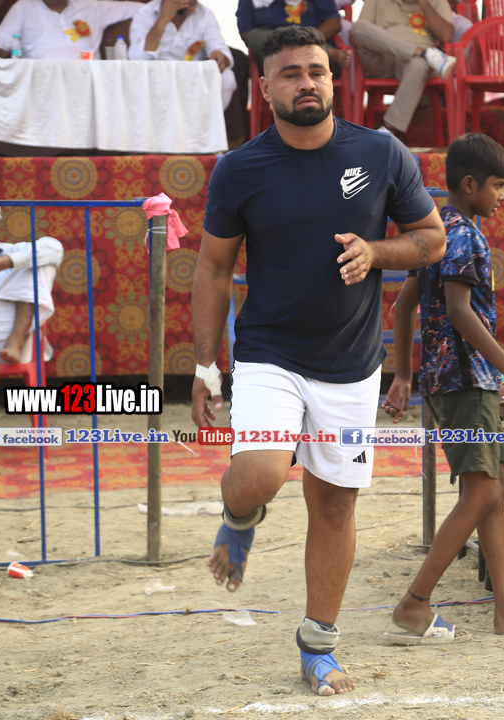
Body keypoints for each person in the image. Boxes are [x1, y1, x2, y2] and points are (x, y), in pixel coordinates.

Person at [191, 26, 446, 696]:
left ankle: (318, 647)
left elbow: (431, 239)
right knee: (258, 477)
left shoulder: (381, 153)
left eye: (317, 71)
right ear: (264, 88)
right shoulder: (240, 168)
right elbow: (212, 269)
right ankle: (239, 516)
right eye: (290, 73)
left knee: (334, 504)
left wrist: (376, 251)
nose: (307, 83)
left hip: (352, 362)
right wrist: (205, 364)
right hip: (269, 352)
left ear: (333, 80)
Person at [381, 133, 504, 643]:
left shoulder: (432, 233)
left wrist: (403, 376)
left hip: (450, 380)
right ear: (470, 184)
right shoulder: (463, 235)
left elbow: (403, 306)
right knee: (484, 489)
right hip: (467, 380)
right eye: (498, 186)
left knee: (490, 489)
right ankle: (415, 602)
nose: (503, 195)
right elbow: (460, 313)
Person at [0, 192, 64, 367]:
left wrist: (5, 262)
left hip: (7, 336)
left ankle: (15, 342)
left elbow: (54, 248)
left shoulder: (16, 252)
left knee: (39, 262)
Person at [349, 0, 457, 139]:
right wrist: (355, 38)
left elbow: (446, 36)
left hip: (413, 65)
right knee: (359, 27)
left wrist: (424, 3)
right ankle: (424, 53)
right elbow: (358, 33)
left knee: (420, 64)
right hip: (382, 59)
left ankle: (387, 129)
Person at [128, 0, 236, 110]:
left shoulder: (205, 13)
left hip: (193, 77)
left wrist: (219, 56)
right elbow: (137, 60)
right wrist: (162, 20)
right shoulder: (146, 13)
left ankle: (208, 119)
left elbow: (219, 48)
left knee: (227, 77)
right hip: (158, 77)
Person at [0, 0, 140, 59]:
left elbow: (141, 9)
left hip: (87, 77)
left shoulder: (91, 6)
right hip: (40, 78)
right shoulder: (25, 6)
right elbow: (5, 35)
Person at [236, 0, 349, 71]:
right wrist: (301, 42)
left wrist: (307, 37)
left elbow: (334, 23)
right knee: (254, 36)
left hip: (312, 39)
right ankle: (328, 52)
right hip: (272, 51)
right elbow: (246, 33)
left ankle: (311, 49)